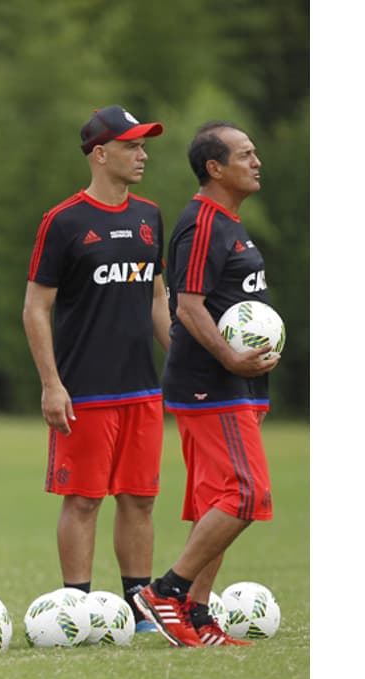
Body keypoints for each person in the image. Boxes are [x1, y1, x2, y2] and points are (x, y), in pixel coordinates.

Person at [21, 105, 169, 633]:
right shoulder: (64, 221)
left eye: (143, 145)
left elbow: (157, 296)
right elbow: (35, 307)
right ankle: (76, 608)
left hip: (142, 388)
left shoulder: (150, 215)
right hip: (84, 390)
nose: (142, 154)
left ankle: (141, 607)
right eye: (132, 146)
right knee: (83, 501)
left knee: (141, 499)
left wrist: (180, 357)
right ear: (100, 154)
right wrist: (51, 384)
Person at [134, 121, 280, 647]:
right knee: (244, 492)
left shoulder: (230, 223)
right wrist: (230, 358)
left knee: (217, 499)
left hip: (236, 382)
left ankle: (195, 614)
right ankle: (167, 591)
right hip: (211, 384)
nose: (256, 161)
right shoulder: (202, 224)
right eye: (245, 154)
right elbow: (187, 305)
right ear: (214, 168)